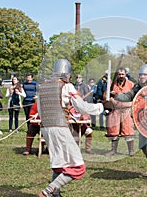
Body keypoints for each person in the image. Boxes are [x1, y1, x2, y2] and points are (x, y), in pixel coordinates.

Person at [36, 59, 104, 197]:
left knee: (59, 163)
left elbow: (40, 110)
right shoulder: (66, 86)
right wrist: (101, 106)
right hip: (59, 127)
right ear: (67, 73)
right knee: (78, 167)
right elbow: (82, 107)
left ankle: (56, 194)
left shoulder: (43, 86)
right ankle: (47, 192)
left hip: (45, 128)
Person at [111, 63, 147, 182]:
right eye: (141, 74)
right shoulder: (137, 88)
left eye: (144, 74)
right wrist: (117, 95)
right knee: (144, 147)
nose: (142, 76)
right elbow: (128, 96)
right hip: (143, 122)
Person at [105, 67, 135, 156]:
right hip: (115, 110)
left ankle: (131, 150)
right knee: (113, 130)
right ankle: (113, 150)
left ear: (126, 74)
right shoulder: (112, 84)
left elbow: (135, 97)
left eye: (122, 74)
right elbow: (105, 95)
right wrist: (111, 99)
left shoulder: (131, 84)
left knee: (128, 130)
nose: (121, 76)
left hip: (127, 110)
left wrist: (130, 104)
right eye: (119, 74)